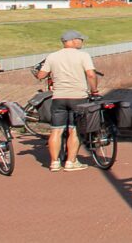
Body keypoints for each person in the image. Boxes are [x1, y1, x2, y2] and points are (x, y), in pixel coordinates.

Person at [35, 29, 101, 171]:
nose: (82, 42)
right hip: (78, 97)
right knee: (74, 130)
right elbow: (91, 74)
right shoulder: (83, 56)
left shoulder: (52, 56)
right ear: (72, 41)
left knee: (56, 130)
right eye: (80, 39)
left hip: (58, 97)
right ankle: (71, 162)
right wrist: (94, 90)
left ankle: (54, 163)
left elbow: (41, 75)